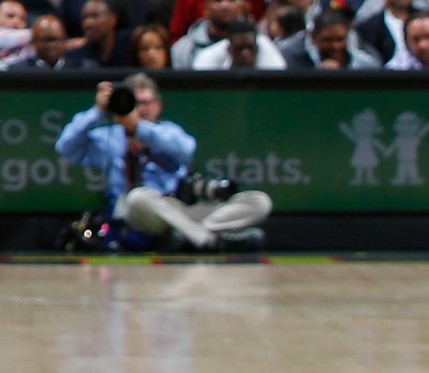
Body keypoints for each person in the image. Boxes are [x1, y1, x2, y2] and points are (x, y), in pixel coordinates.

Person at [54, 77, 271, 251]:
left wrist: (139, 128)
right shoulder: (108, 137)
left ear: (158, 105)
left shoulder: (167, 131)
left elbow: (186, 150)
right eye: (135, 103)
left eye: (147, 103)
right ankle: (207, 240)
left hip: (179, 210)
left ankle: (190, 235)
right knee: (138, 197)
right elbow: (65, 147)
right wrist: (98, 111)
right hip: (142, 216)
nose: (142, 109)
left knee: (258, 201)